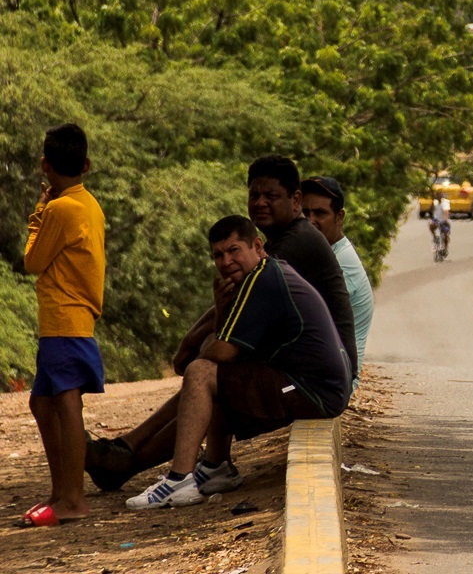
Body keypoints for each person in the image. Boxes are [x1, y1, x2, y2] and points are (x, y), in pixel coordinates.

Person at [87, 156, 356, 492]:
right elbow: (230, 305)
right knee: (207, 376)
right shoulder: (276, 242)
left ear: (295, 201)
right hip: (297, 364)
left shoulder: (293, 246)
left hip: (316, 376)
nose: (260, 203)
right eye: (254, 195)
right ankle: (129, 450)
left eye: (271, 196)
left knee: (206, 375)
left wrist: (189, 347)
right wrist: (198, 342)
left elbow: (228, 320)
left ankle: (135, 464)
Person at [126, 216, 350, 510]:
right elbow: (228, 351)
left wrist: (205, 348)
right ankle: (215, 467)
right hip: (312, 384)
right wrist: (219, 317)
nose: (226, 261)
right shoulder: (262, 276)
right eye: (218, 255)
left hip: (313, 390)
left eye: (234, 251)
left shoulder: (263, 278)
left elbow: (221, 350)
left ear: (257, 246)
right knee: (220, 377)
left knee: (201, 374)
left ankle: (179, 480)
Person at [19, 124, 105, 528]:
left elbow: (33, 261)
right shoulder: (89, 203)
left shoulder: (59, 209)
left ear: (45, 165)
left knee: (67, 403)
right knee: (42, 403)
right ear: (86, 165)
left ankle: (73, 499)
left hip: (64, 317)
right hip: (71, 317)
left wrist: (38, 210)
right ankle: (61, 493)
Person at [301, 177, 373, 384]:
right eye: (305, 213)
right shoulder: (319, 254)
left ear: (339, 217)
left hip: (332, 383)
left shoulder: (340, 263)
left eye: (320, 213)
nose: (310, 220)